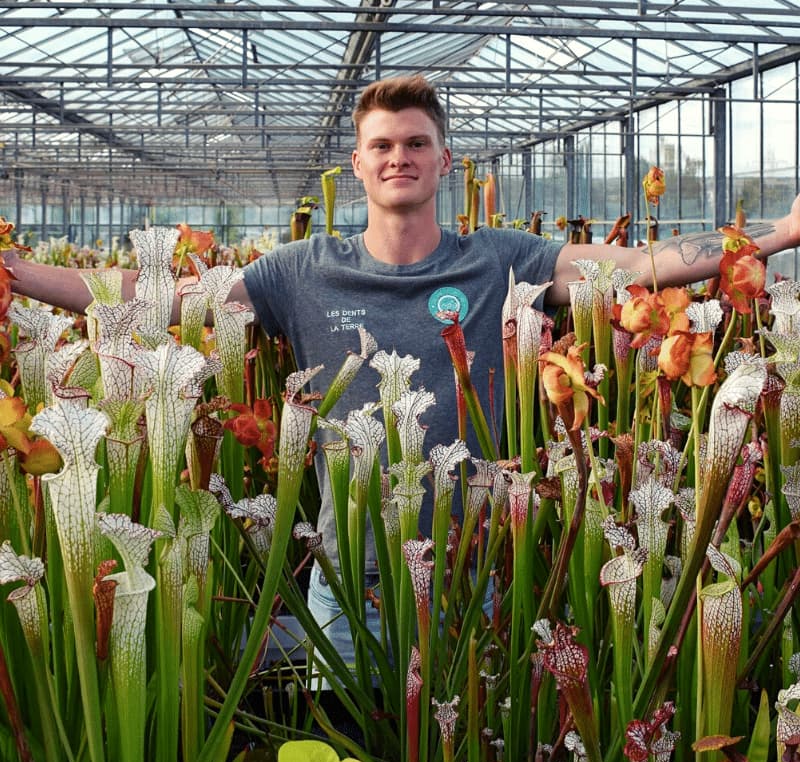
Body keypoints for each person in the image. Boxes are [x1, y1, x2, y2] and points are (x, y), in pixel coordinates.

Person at [5, 75, 800, 662]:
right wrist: (17, 272)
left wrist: (780, 232)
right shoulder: (300, 270)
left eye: (416, 143)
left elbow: (634, 264)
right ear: (358, 162)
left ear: (444, 159)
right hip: (348, 592)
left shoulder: (501, 260)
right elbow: (157, 298)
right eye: (383, 145)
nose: (399, 158)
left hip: (477, 578)